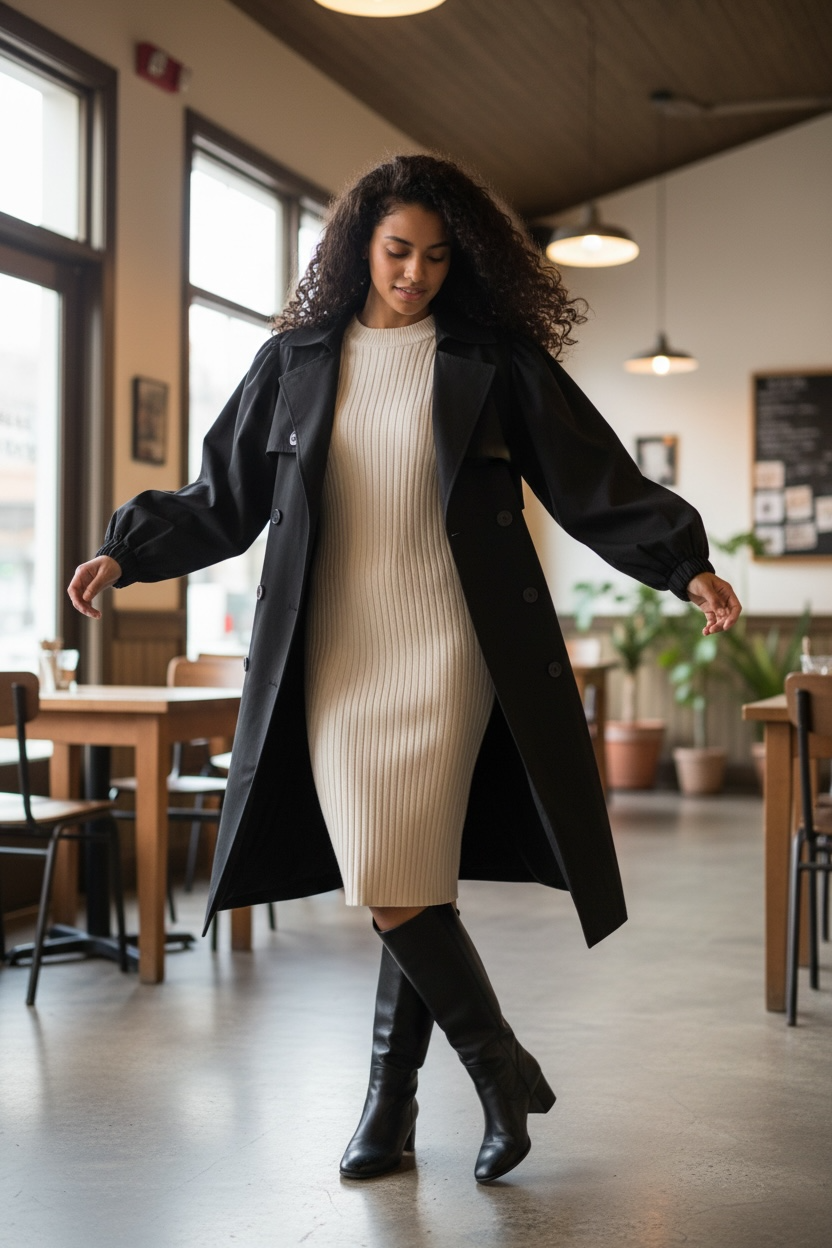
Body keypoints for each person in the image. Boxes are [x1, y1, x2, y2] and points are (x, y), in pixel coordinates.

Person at [68, 154, 741, 1186]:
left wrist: (684, 563)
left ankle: (438, 1089)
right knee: (404, 875)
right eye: (396, 251)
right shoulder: (292, 361)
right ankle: (457, 1082)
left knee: (395, 873)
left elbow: (590, 475)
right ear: (357, 247)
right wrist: (127, 548)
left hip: (452, 644)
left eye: (434, 256)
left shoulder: (493, 361)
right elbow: (223, 496)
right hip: (333, 647)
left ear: (456, 258)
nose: (413, 273)